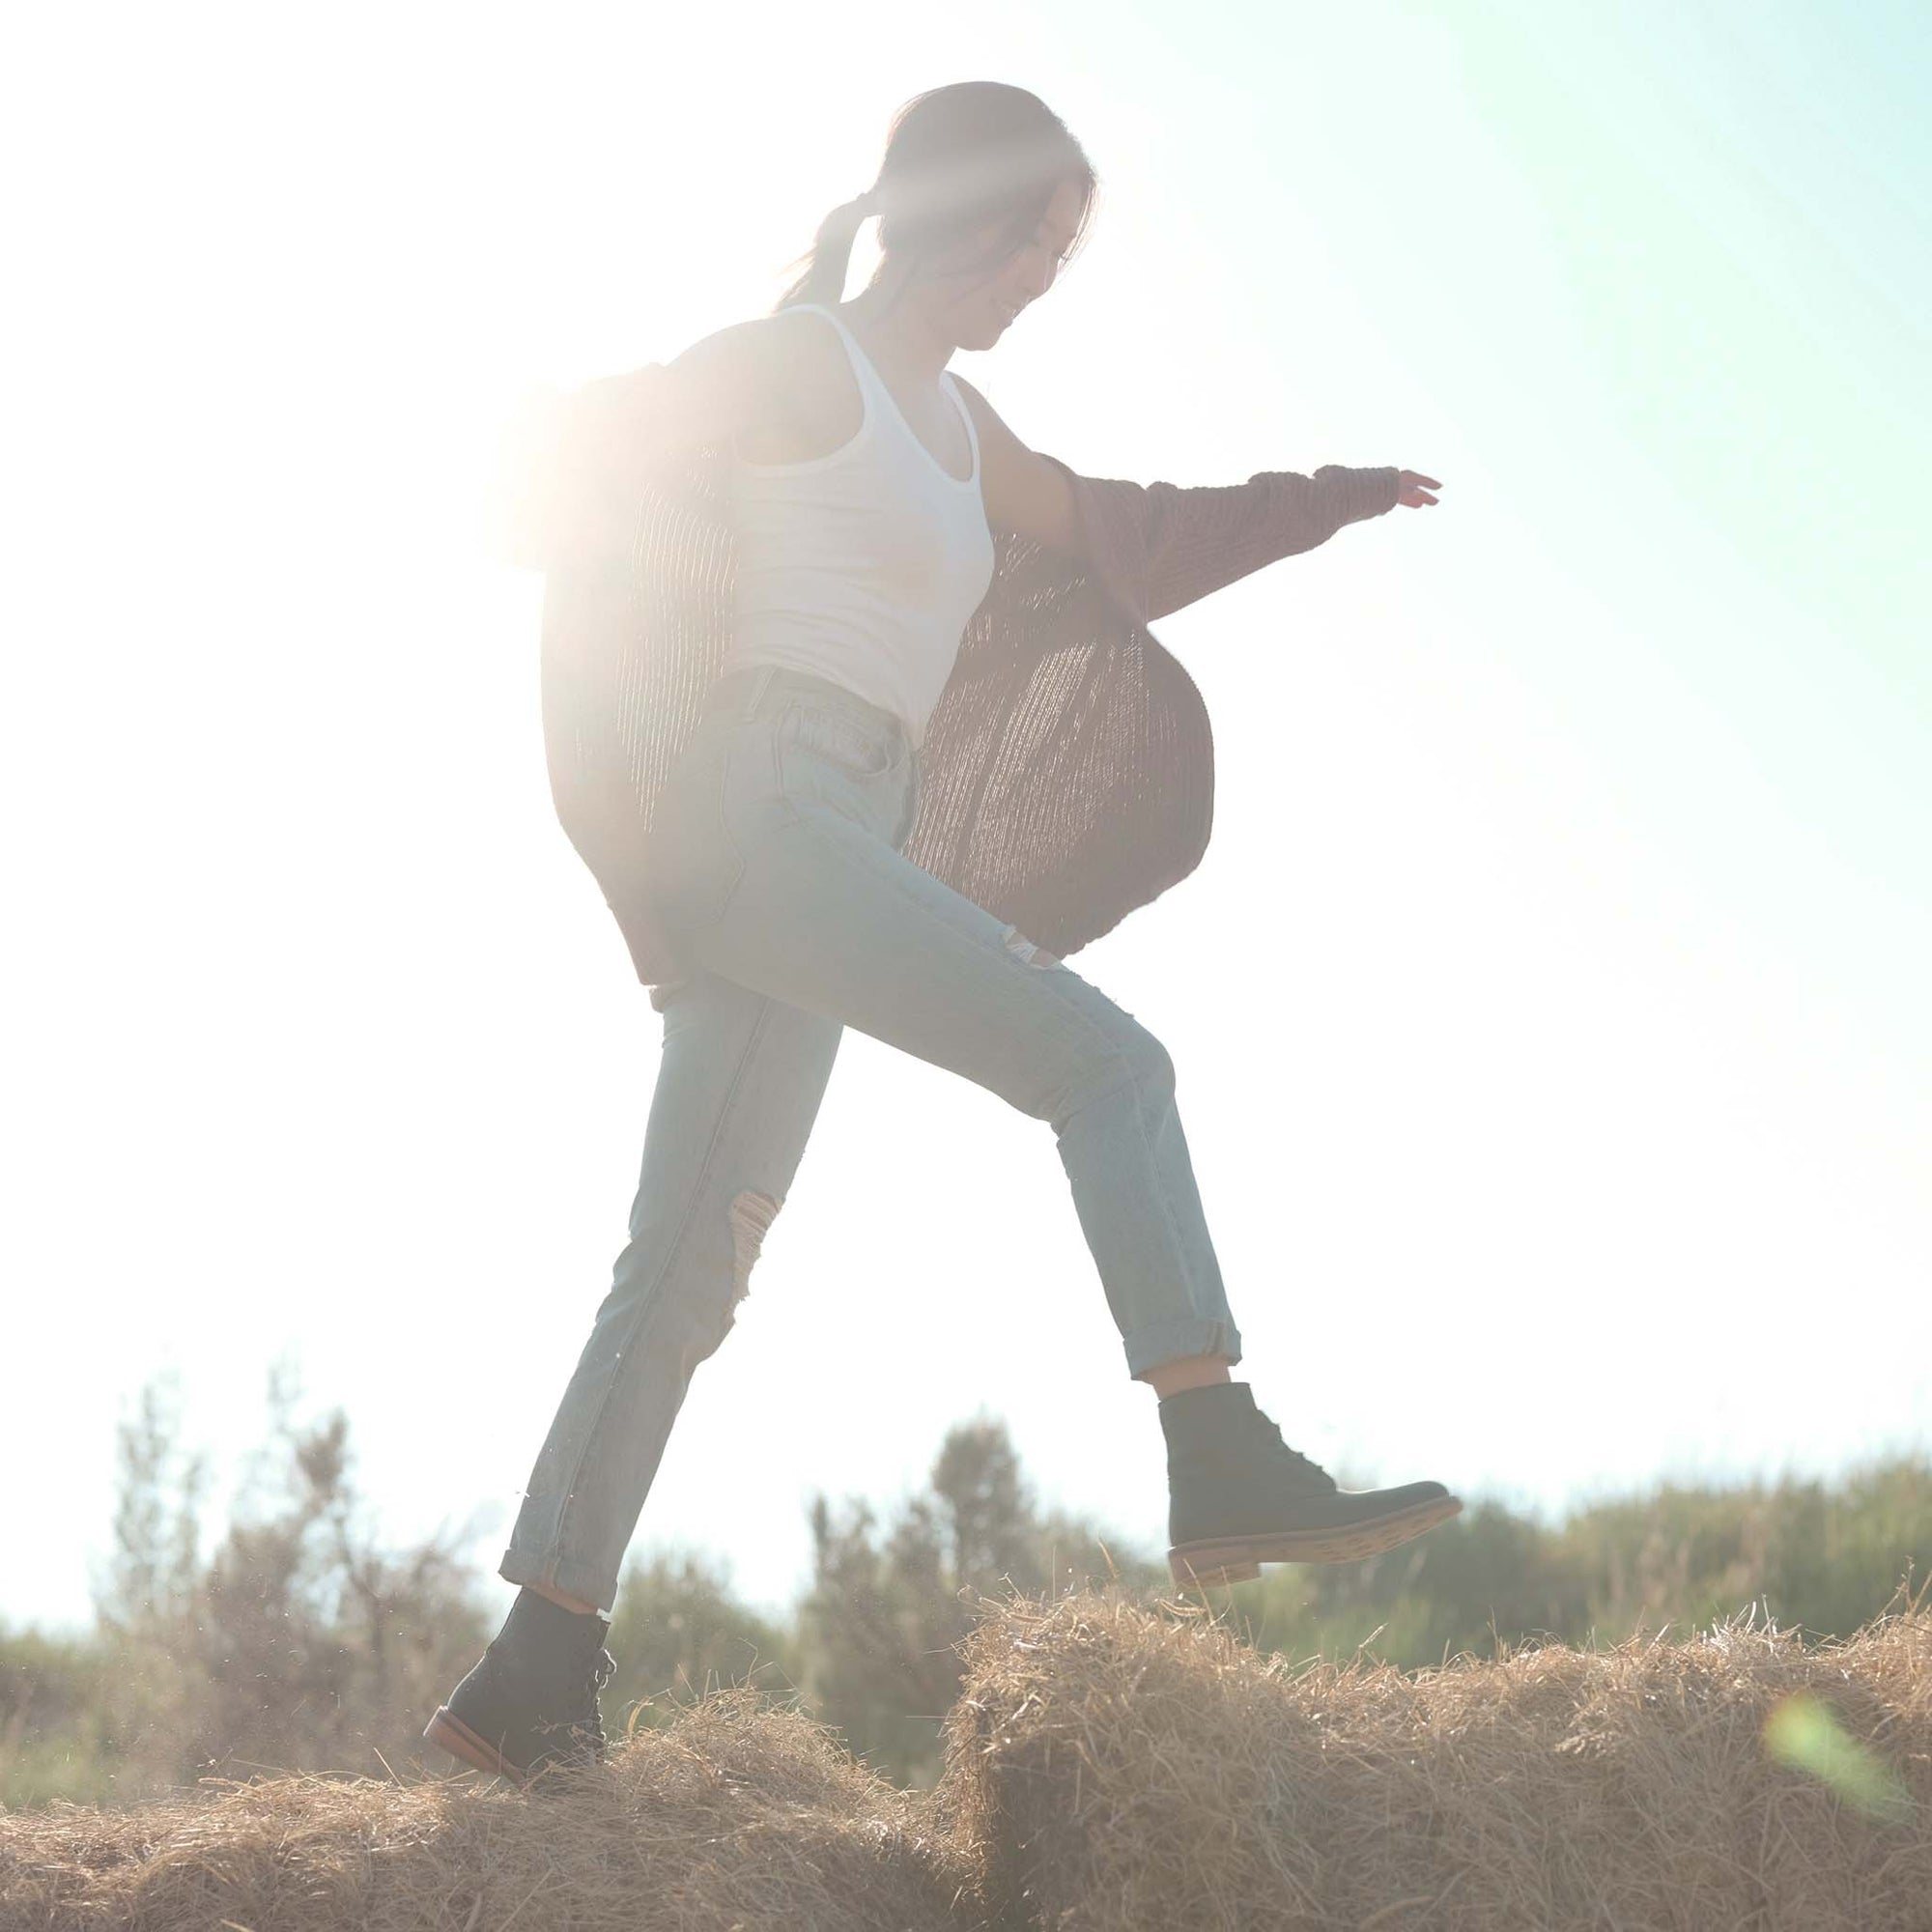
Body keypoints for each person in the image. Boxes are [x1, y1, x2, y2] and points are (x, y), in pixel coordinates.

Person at [428, 80, 1455, 1783]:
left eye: (1057, 259)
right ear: (956, 215)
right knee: (1109, 1065)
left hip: (844, 829)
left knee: (684, 1273)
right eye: (1030, 245)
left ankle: (533, 1666)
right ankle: (1215, 1439)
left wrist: (1329, 494)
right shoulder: (801, 365)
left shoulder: (968, 436)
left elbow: (1136, 532)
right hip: (766, 806)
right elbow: (588, 445)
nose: (1038, 282)